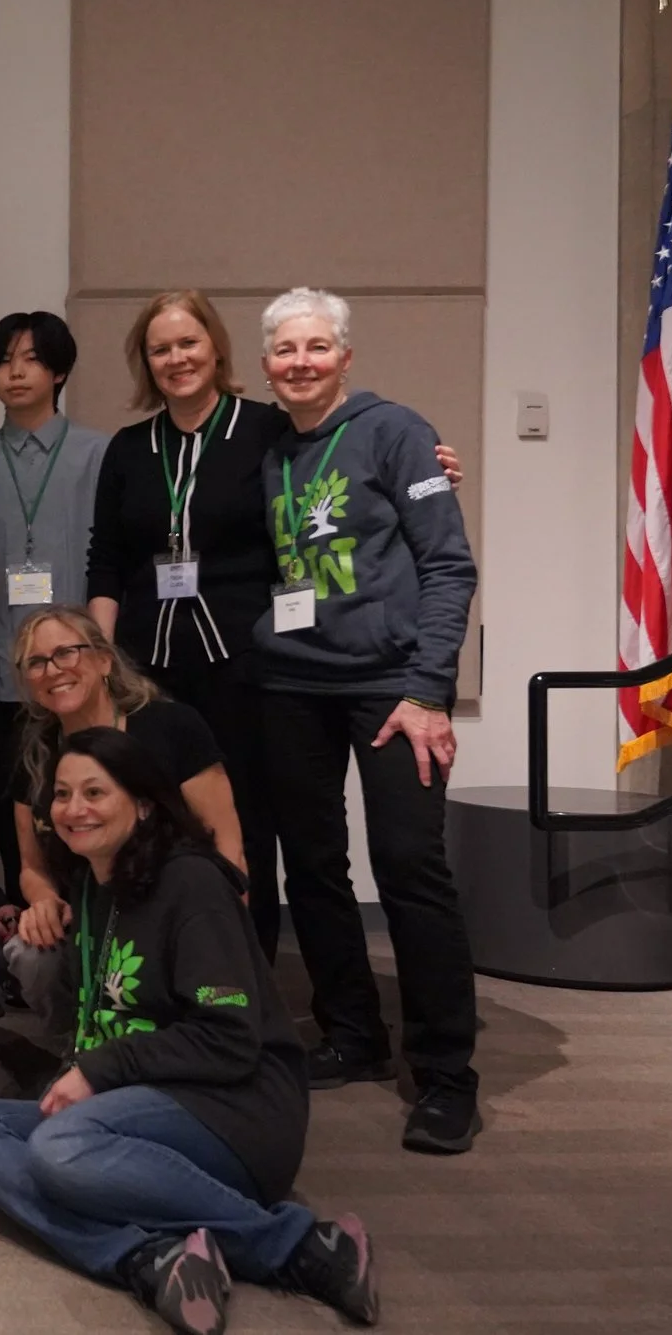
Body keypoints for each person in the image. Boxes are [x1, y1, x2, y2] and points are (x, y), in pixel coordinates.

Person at [0, 728, 377, 1335]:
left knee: (59, 1150)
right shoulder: (94, 885)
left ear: (144, 802)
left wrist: (97, 1070)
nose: (74, 809)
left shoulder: (192, 883)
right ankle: (147, 1257)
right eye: (63, 794)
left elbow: (228, 1036)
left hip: (235, 1107)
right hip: (135, 1104)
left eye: (96, 792)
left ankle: (297, 1245)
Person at [85, 292, 462, 962]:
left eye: (189, 343)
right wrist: (103, 664)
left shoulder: (266, 430)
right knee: (151, 822)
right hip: (149, 667)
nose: (177, 358)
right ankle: (153, 973)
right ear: (145, 362)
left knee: (250, 829)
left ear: (219, 349)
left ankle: (246, 982)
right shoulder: (128, 448)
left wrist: (431, 466)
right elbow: (107, 561)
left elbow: (346, 456)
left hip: (249, 667)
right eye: (161, 348)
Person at [250, 287, 480, 1155]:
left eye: (316, 347)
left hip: (393, 689)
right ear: (267, 364)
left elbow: (450, 567)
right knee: (312, 864)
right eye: (284, 350)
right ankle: (352, 1031)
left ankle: (447, 1075)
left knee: (410, 865)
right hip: (291, 684)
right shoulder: (270, 449)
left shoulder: (397, 432)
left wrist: (428, 689)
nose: (300, 362)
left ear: (345, 356)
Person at [0, 607, 246, 1033]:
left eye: (66, 653)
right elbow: (31, 866)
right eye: (36, 662)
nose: (52, 669)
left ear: (104, 660)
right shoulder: (34, 753)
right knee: (30, 953)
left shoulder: (171, 727)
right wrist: (42, 901)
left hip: (169, 913)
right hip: (86, 920)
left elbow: (227, 844)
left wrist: (227, 933)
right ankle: (74, 1049)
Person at [0, 312, 109, 865]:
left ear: (59, 370)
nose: (16, 372)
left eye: (31, 359)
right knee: (17, 798)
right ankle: (32, 917)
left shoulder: (99, 454)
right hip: (2, 664)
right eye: (4, 361)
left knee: (91, 789)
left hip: (79, 665)